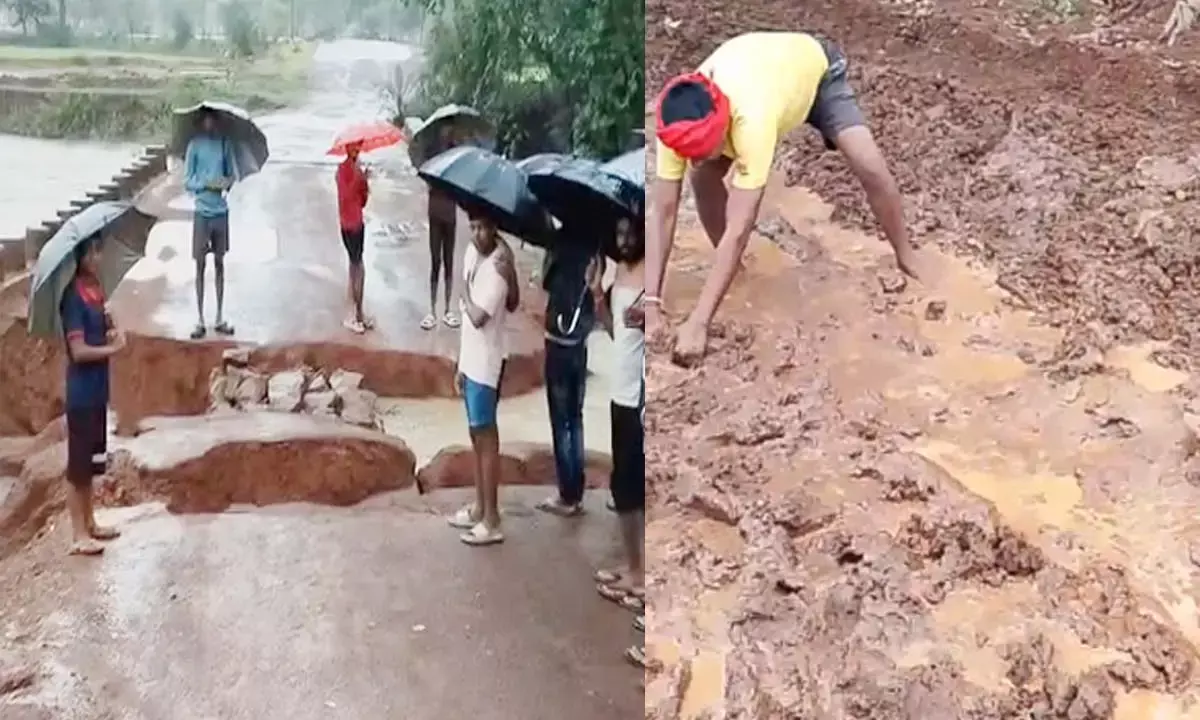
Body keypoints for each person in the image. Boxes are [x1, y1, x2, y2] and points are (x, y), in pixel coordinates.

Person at [648, 32, 923, 363]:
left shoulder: (752, 120)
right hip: (765, 77)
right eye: (686, 153)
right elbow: (663, 212)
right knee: (703, 177)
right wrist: (651, 302)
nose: (690, 159)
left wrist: (699, 322)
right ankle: (737, 274)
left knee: (870, 167)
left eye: (698, 151)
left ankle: (907, 257)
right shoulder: (674, 122)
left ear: (723, 127)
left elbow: (740, 227)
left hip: (817, 76)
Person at [591, 216, 646, 662]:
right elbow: (615, 332)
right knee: (622, 490)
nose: (624, 239)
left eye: (630, 233)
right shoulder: (621, 272)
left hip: (640, 398)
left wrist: (653, 316)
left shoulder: (653, 275)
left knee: (633, 489)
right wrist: (596, 294)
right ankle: (633, 569)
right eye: (620, 233)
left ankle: (642, 574)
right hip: (618, 390)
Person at [448, 210, 519, 546]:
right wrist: (460, 364)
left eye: (483, 227)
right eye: (473, 227)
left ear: (495, 227)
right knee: (476, 436)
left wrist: (462, 290)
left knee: (486, 437)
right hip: (471, 359)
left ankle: (492, 519)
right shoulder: (472, 253)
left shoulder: (498, 265)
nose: (477, 234)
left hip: (488, 363)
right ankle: (479, 507)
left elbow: (477, 316)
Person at [60, 235, 126, 556]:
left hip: (98, 390)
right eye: (93, 251)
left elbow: (100, 332)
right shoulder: (72, 297)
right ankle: (77, 534)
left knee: (92, 462)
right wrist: (111, 348)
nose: (98, 256)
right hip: (82, 393)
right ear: (81, 255)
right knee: (78, 467)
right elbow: (79, 350)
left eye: (100, 249)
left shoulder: (95, 290)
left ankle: (91, 521)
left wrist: (110, 323)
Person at [535, 225, 603, 518]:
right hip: (580, 339)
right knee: (576, 418)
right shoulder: (596, 245)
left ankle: (567, 493)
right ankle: (577, 490)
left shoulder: (560, 240)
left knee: (560, 419)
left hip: (559, 339)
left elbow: (546, 282)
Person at [183, 108, 237, 340]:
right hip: (202, 211)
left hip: (220, 211)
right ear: (201, 121)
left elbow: (230, 177)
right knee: (199, 265)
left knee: (220, 263)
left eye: (212, 118)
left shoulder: (225, 144)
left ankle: (219, 316)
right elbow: (187, 181)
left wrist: (225, 183)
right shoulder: (194, 145)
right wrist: (207, 184)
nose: (209, 122)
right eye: (206, 118)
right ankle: (199, 318)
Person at [422, 126, 464, 331]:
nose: (448, 133)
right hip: (436, 213)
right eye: (445, 129)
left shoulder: (457, 156)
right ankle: (432, 311)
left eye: (450, 130)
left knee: (448, 262)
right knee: (435, 262)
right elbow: (427, 181)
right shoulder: (432, 155)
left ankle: (448, 309)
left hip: (450, 215)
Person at [336, 140, 374, 334]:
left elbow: (362, 201)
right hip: (348, 225)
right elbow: (345, 198)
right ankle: (351, 315)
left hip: (358, 223)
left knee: (360, 267)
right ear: (346, 148)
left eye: (358, 146)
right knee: (355, 267)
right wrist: (359, 178)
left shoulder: (358, 169)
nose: (356, 150)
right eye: (353, 147)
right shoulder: (342, 170)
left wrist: (365, 183)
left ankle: (359, 313)